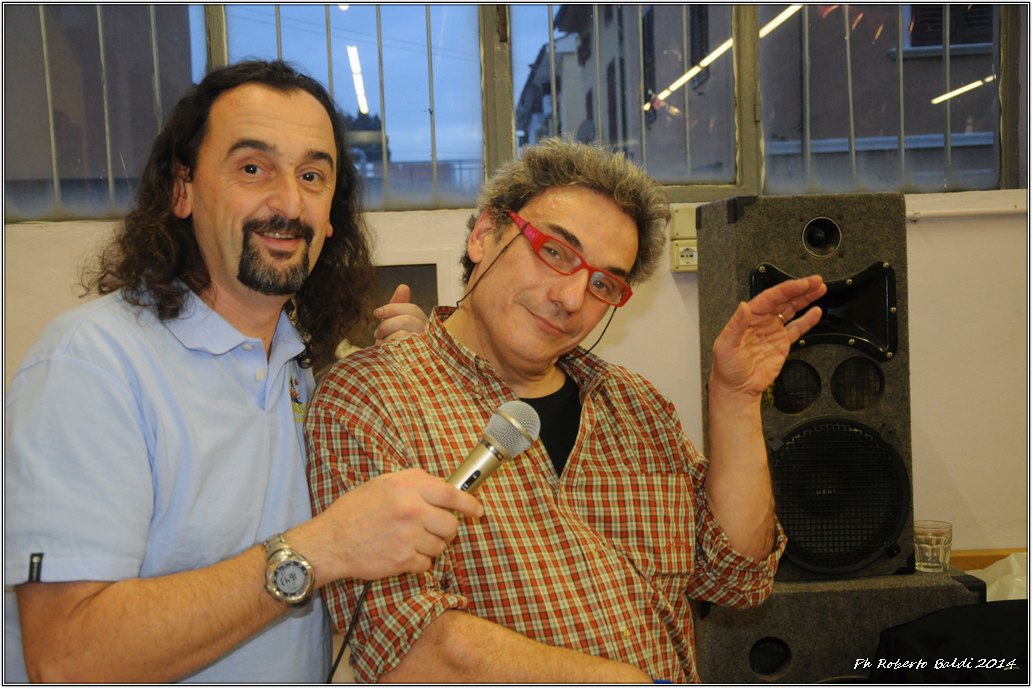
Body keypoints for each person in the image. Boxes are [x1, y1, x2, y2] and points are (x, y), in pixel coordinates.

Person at [3, 60, 482, 684]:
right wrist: (323, 548)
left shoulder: (299, 369)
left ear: (331, 215)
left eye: (312, 176)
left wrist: (408, 382)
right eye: (253, 168)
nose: (288, 203)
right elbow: (68, 656)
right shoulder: (91, 363)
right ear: (182, 190)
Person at [306, 138, 828, 683]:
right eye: (555, 252)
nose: (572, 298)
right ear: (485, 234)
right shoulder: (373, 398)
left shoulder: (635, 407)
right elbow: (403, 644)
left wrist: (735, 397)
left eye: (603, 283)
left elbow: (737, 577)